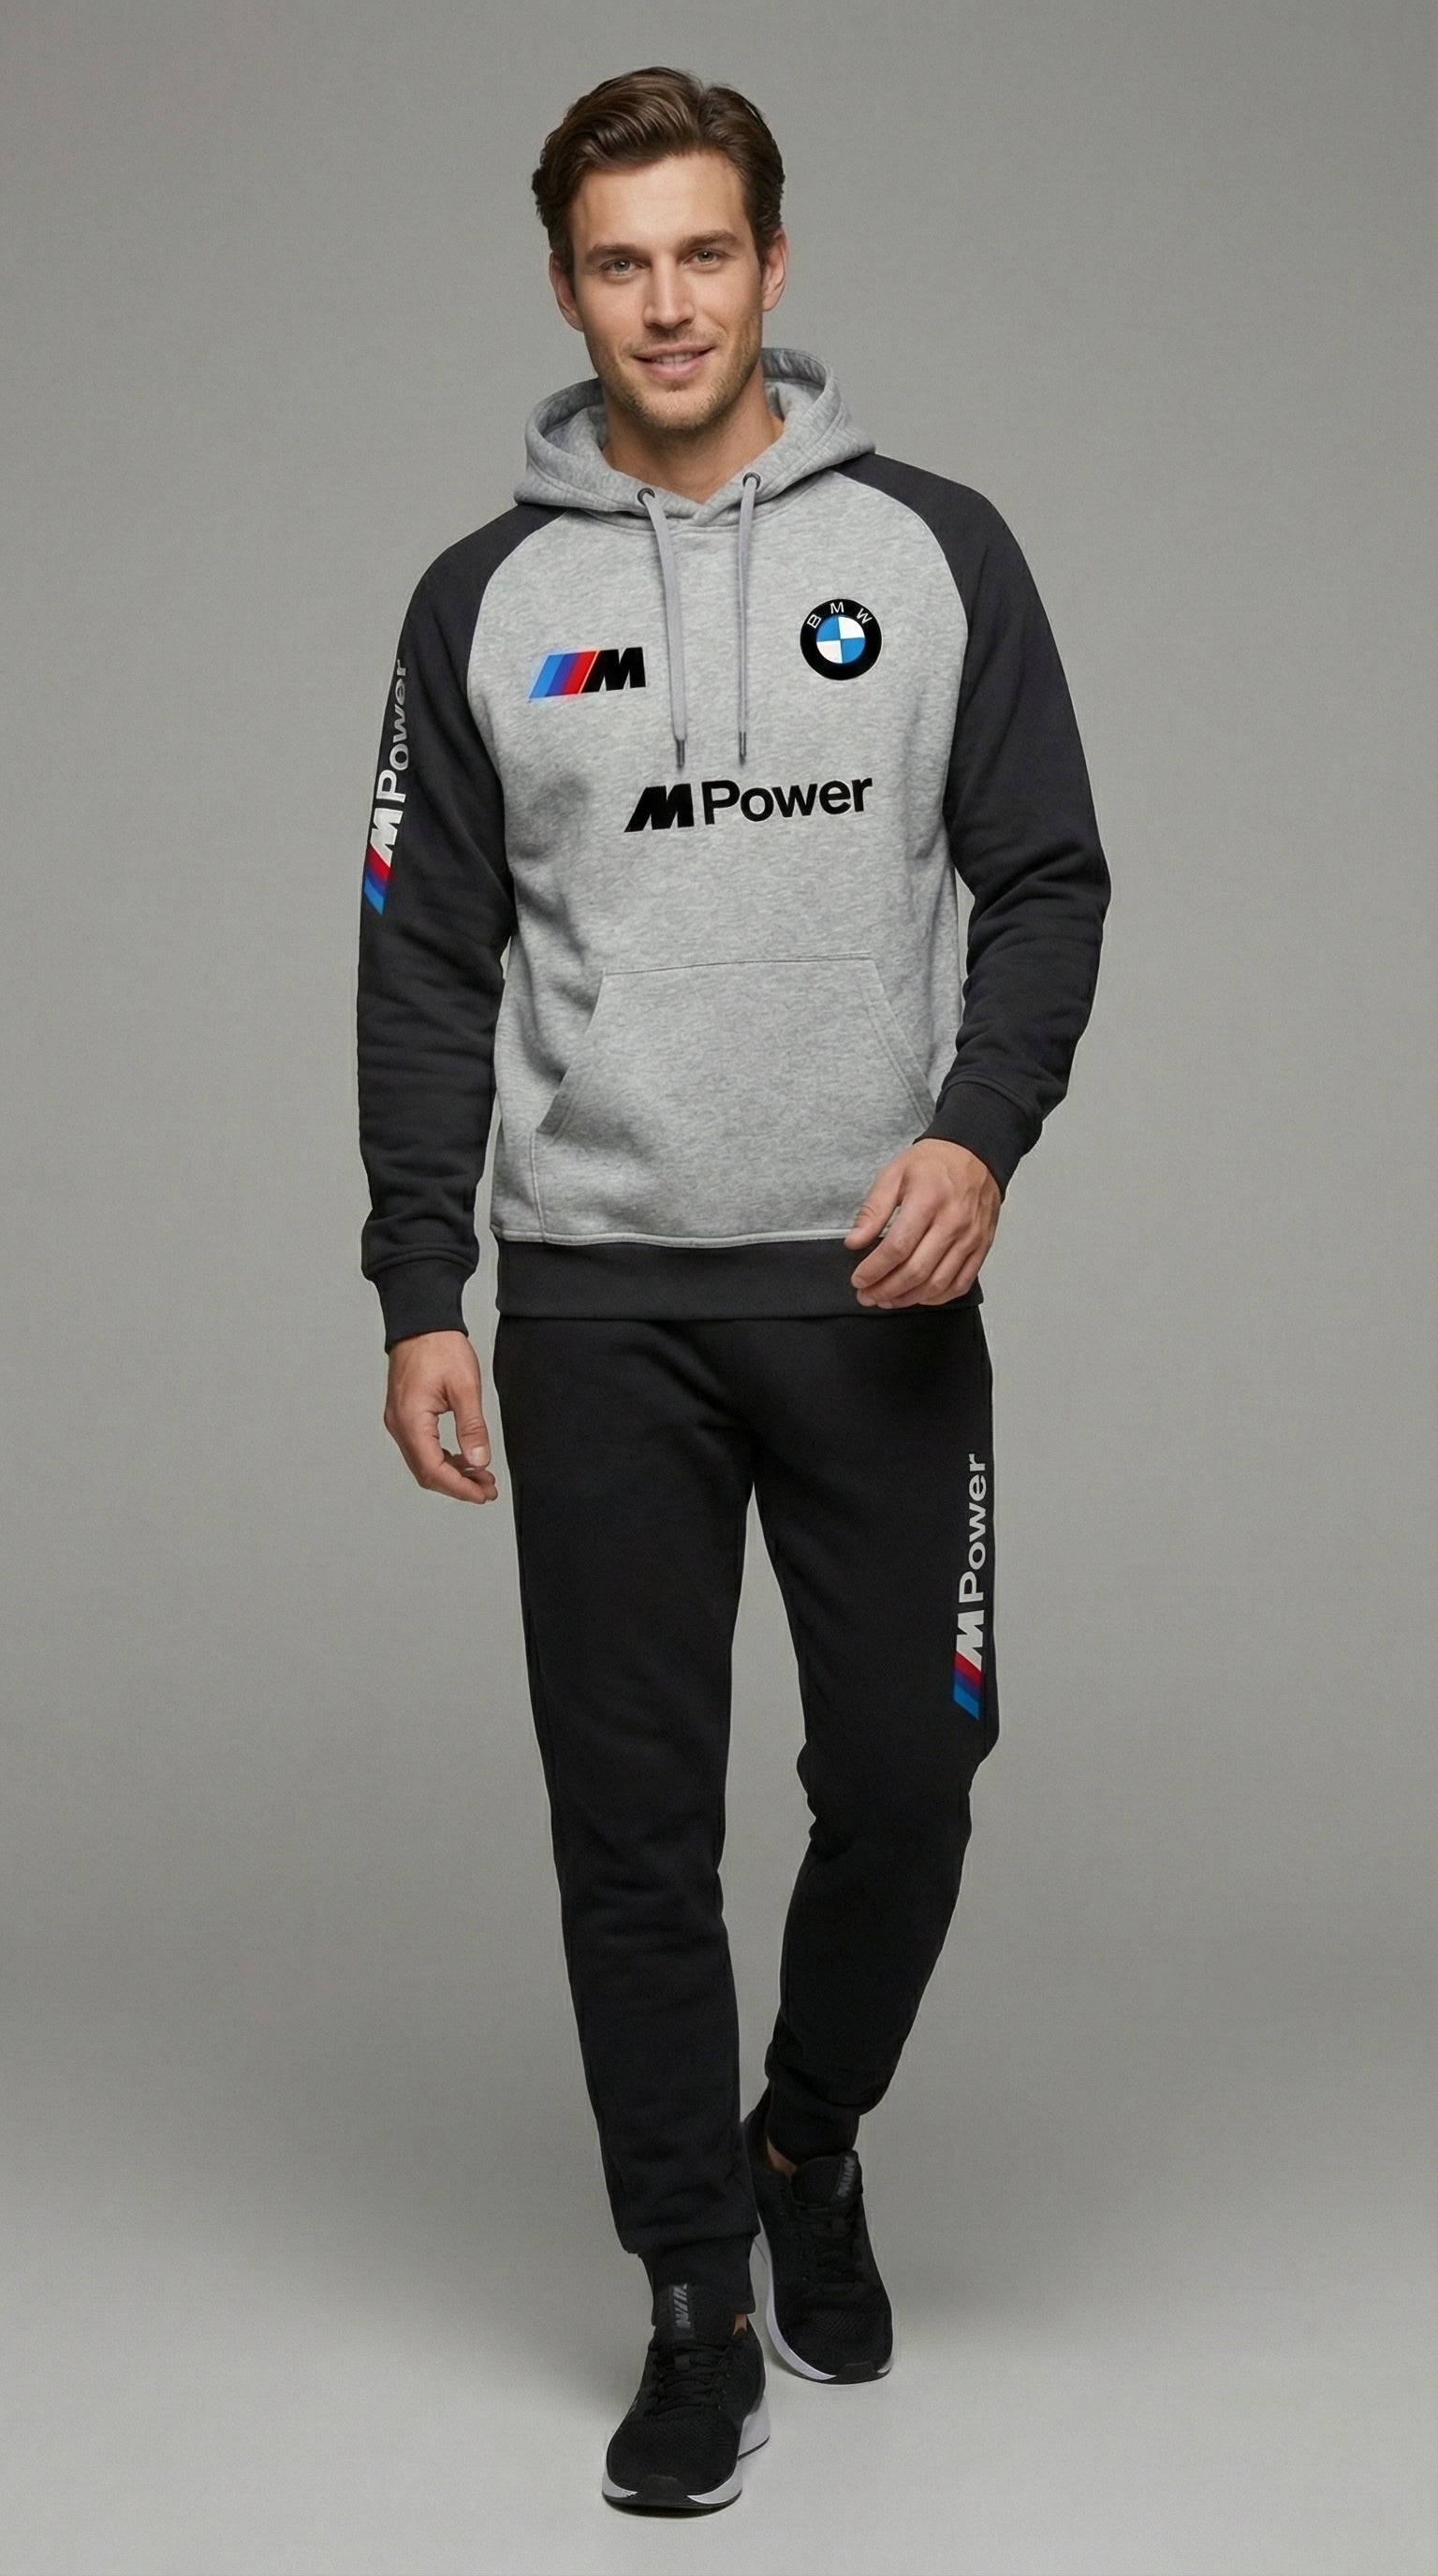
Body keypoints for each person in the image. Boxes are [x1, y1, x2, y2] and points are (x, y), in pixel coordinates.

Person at [356, 64, 1110, 2515]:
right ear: (565, 287)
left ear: (774, 264)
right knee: (633, 1830)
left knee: (911, 1773)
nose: (665, 303)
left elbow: (1047, 875)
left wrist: (977, 1134)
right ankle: (693, 2295)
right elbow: (422, 960)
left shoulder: (940, 550)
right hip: (595, 1307)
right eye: (619, 262)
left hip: (872, 1296)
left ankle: (807, 2138)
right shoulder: (484, 604)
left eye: (704, 252)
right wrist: (422, 1281)